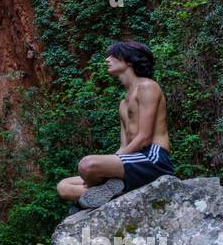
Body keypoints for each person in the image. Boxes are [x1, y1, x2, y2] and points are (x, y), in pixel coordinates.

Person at [56, 40, 174, 210]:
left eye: (113, 56)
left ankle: (107, 191)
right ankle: (114, 192)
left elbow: (144, 137)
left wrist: (104, 168)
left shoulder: (148, 87)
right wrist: (109, 168)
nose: (107, 60)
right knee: (63, 186)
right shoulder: (123, 104)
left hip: (153, 159)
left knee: (87, 165)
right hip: (131, 160)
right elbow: (124, 146)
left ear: (128, 61)